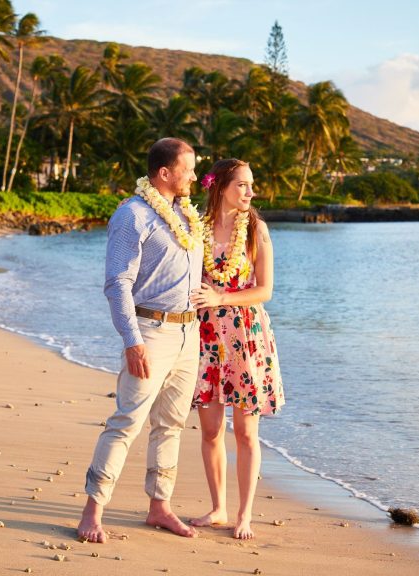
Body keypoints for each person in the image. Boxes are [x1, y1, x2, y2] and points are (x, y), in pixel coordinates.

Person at [78, 138, 204, 543]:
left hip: (189, 334)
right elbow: (117, 282)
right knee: (127, 422)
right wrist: (133, 341)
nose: (195, 177)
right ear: (164, 173)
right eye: (189, 169)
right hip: (150, 332)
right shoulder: (132, 215)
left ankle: (159, 506)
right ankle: (92, 511)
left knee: (172, 424)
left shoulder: (186, 214)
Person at [189, 158, 285, 540]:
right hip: (208, 336)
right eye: (243, 185)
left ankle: (244, 514)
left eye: (251, 185)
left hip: (246, 336)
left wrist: (221, 295)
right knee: (211, 430)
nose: (250, 192)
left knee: (246, 432)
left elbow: (266, 290)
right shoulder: (197, 228)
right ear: (220, 186)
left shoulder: (256, 230)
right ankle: (218, 508)